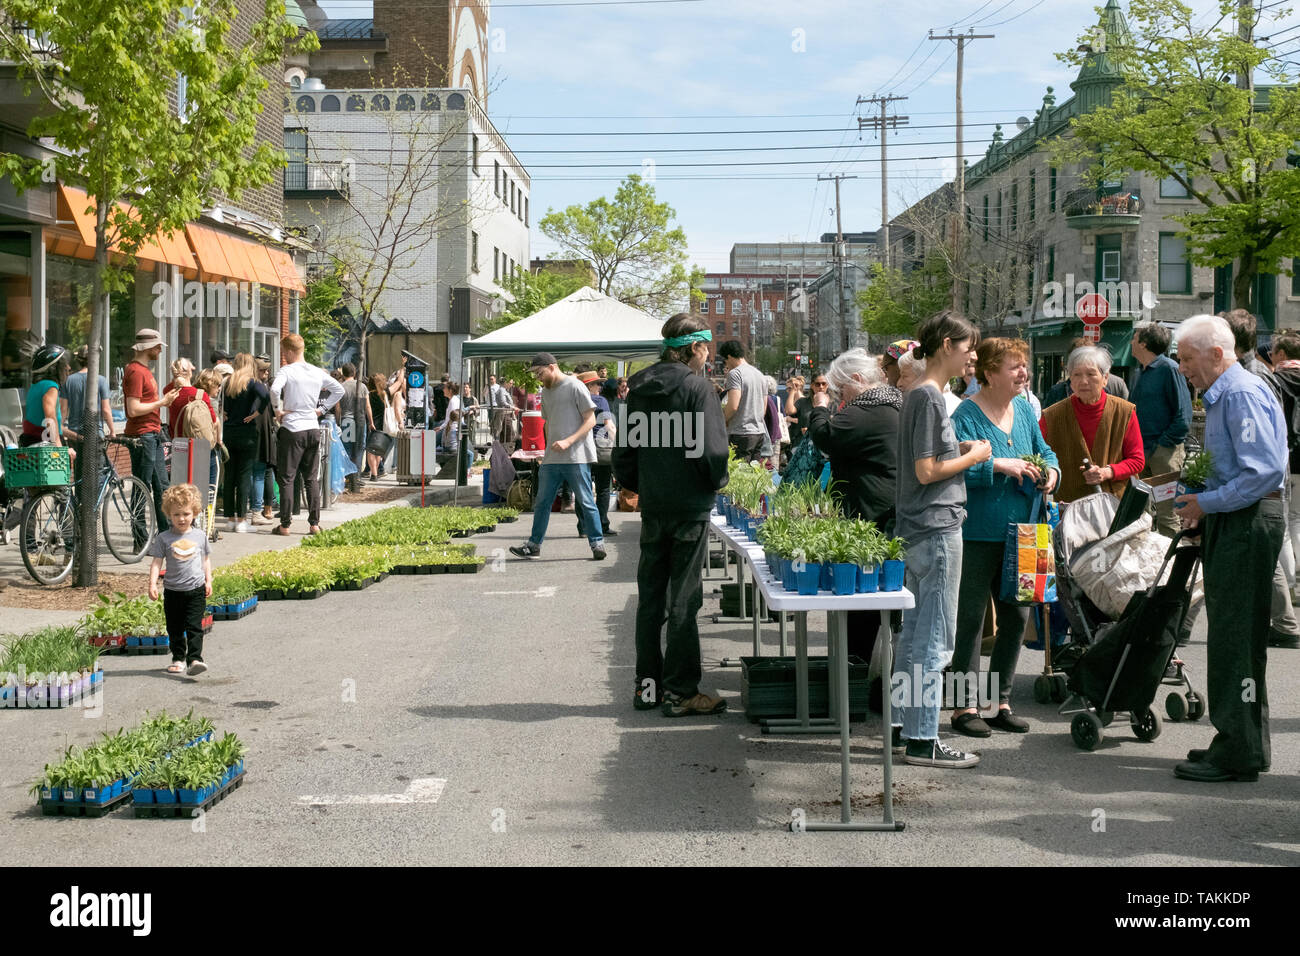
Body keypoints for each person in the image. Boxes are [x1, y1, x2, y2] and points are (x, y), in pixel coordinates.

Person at [1171, 314, 1287, 782]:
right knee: (1236, 640)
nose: (1182, 369)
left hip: (1247, 521)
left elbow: (1263, 473)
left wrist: (1206, 501)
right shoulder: (1229, 392)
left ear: (1217, 354)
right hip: (1238, 519)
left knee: (1235, 642)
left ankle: (1237, 750)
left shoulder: (1238, 393)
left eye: (1187, 359)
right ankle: (1241, 744)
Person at [613, 314, 729, 717]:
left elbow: (624, 454)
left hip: (655, 507)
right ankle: (681, 692)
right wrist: (714, 482)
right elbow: (713, 453)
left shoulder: (638, 388)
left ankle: (647, 689)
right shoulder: (699, 389)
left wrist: (640, 485)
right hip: (690, 508)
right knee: (683, 600)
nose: (709, 356)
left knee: (651, 600)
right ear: (695, 348)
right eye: (706, 348)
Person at [893, 311, 991, 769]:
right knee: (935, 641)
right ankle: (923, 738)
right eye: (969, 346)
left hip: (915, 529)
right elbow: (927, 470)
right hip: (936, 528)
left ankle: (903, 728)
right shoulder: (931, 399)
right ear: (947, 344)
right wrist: (974, 455)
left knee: (913, 637)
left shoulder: (917, 395)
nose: (973, 355)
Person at [950, 338, 1060, 738]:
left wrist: (1051, 473)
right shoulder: (966, 414)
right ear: (990, 372)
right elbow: (953, 469)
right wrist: (999, 466)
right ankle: (963, 707)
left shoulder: (1025, 411)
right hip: (978, 532)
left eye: (1023, 365)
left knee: (1017, 616)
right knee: (970, 621)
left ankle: (999, 702)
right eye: (1014, 366)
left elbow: (1047, 453)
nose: (1022, 373)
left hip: (1026, 531)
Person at [807, 349, 900, 675]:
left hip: (869, 512)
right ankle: (868, 675)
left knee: (862, 602)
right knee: (878, 604)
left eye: (840, 389)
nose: (837, 396)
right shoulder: (891, 403)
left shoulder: (867, 409)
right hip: (884, 508)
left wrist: (818, 410)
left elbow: (825, 437)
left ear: (858, 380)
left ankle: (855, 678)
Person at [1219, 309, 1299, 651]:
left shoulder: (1251, 379)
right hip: (1270, 476)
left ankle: (1284, 621)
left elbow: (1264, 442)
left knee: (1272, 543)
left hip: (1262, 482)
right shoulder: (1257, 375)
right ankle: (1282, 619)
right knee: (1277, 538)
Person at [509, 353, 606, 561]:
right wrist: (546, 451)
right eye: (535, 374)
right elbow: (548, 423)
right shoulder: (546, 391)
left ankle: (597, 543)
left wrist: (568, 441)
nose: (537, 377)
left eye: (539, 372)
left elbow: (590, 421)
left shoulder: (575, 386)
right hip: (553, 457)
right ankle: (534, 545)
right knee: (542, 502)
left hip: (576, 455)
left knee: (586, 500)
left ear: (552, 367)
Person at [1039, 346, 1144, 504]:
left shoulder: (1124, 411)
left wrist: (1108, 472)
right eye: (1076, 375)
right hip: (1070, 506)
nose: (1083, 381)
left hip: (1114, 504)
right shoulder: (1052, 415)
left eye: (1091, 374)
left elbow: (1137, 460)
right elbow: (1037, 454)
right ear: (1070, 380)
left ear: (1105, 378)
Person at [269, 333, 344, 536]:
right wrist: (321, 410)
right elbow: (338, 390)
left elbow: (275, 390)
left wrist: (278, 410)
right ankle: (314, 524)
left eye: (284, 352)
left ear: (291, 351)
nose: (283, 356)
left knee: (287, 478)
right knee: (311, 478)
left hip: (292, 428)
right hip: (312, 426)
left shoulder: (286, 371)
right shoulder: (316, 371)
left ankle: (285, 524)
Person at [1130, 322, 1193, 538]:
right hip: (1141, 453)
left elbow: (1183, 415)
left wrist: (1162, 445)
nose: (1131, 342)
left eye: (1135, 337)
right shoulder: (1140, 372)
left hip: (1162, 453)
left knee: (1168, 515)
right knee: (1141, 515)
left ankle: (1171, 567)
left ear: (1144, 344)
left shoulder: (1169, 369)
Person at [148, 483, 213, 678]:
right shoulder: (164, 538)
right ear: (169, 515)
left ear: (194, 512)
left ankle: (195, 659)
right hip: (173, 591)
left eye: (185, 514)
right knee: (174, 627)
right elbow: (157, 562)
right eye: (176, 515)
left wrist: (208, 580)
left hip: (196, 589)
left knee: (194, 625)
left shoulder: (200, 536)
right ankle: (178, 658)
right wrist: (152, 583)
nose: (181, 519)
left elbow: (206, 560)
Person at [123, 329, 178, 532]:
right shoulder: (136, 371)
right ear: (148, 348)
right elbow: (133, 408)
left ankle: (165, 534)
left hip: (151, 434)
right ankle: (140, 538)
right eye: (157, 347)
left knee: (162, 485)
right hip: (142, 434)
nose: (160, 351)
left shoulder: (144, 371)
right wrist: (162, 403)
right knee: (142, 487)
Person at [1269, 333, 1300, 617]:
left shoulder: (1276, 380)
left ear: (1281, 354)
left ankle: (1290, 584)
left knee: (1286, 521)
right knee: (1298, 518)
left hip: (1289, 458)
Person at [221, 353, 270, 532]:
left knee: (229, 476)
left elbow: (222, 404)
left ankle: (230, 519)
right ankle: (242, 520)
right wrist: (257, 413)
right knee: (243, 476)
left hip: (228, 432)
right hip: (247, 433)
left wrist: (224, 413)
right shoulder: (253, 382)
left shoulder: (228, 382)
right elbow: (266, 396)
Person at [167, 357, 219, 493]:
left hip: (178, 445)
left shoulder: (170, 392)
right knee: (204, 488)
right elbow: (213, 421)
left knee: (181, 489)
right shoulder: (200, 395)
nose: (194, 368)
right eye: (191, 367)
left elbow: (170, 386)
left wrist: (176, 377)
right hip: (198, 447)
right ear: (188, 372)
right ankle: (204, 512)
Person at [576, 369, 617, 537]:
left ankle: (584, 527)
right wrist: (618, 443)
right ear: (589, 385)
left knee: (583, 489)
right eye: (597, 384)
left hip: (580, 448)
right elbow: (609, 425)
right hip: (601, 448)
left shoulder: (575, 401)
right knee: (603, 489)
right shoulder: (601, 401)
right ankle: (602, 524)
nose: (600, 387)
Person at [719, 340, 768, 461]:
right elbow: (764, 407)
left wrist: (722, 420)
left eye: (725, 361)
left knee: (739, 474)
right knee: (753, 474)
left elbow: (733, 406)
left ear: (729, 356)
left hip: (741, 432)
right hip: (759, 432)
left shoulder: (735, 374)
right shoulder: (759, 374)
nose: (726, 365)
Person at [1043, 338, 1130, 405]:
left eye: (1090, 373)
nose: (1084, 381)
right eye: (1077, 373)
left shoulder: (1117, 386)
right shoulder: (1057, 393)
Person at [61, 345, 113, 446]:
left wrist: (60, 428)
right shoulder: (101, 380)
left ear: (79, 361)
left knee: (78, 462)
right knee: (98, 462)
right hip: (96, 434)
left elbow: (63, 410)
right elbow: (106, 410)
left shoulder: (68, 381)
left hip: (74, 434)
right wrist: (112, 431)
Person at [20, 344, 70, 448]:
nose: (68, 367)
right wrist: (58, 445)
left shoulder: (35, 386)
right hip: (45, 444)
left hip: (33, 441)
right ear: (54, 368)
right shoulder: (50, 385)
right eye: (64, 364)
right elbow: (50, 416)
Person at [250, 358, 278, 519]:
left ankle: (262, 508)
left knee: (261, 471)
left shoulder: (260, 387)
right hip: (261, 433)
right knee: (262, 471)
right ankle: (260, 508)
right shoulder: (259, 389)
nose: (266, 373)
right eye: (263, 370)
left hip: (264, 433)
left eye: (267, 370)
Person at [334, 363, 367, 492]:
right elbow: (367, 406)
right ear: (354, 372)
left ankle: (348, 477)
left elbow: (338, 408)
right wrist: (369, 421)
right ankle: (357, 476)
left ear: (343, 373)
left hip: (346, 420)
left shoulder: (340, 387)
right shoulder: (362, 386)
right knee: (359, 448)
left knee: (347, 449)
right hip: (359, 420)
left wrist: (338, 422)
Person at [366, 373, 390, 479]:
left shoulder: (369, 395)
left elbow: (368, 409)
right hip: (382, 425)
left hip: (371, 425)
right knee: (378, 450)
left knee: (370, 450)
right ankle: (377, 472)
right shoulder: (384, 394)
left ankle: (374, 474)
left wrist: (370, 422)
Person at [484, 374, 513, 445]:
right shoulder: (501, 390)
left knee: (505, 434)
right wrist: (511, 407)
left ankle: (503, 448)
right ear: (506, 383)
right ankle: (502, 448)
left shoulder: (501, 389)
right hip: (502, 413)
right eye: (511, 383)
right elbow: (503, 402)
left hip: (504, 413)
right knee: (506, 433)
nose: (512, 385)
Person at [784, 375, 807, 444]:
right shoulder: (792, 401)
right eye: (787, 389)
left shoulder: (803, 401)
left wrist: (790, 419)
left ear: (797, 387)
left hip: (800, 437)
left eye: (790, 388)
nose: (788, 391)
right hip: (793, 435)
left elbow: (805, 420)